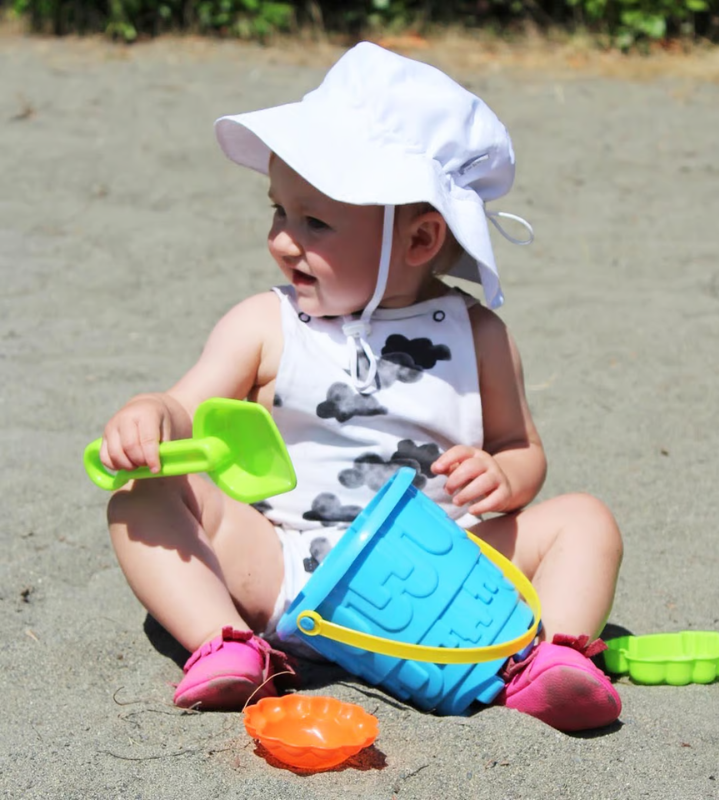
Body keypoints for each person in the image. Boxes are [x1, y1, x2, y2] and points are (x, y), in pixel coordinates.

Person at [99, 42, 623, 732]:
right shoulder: (266, 322)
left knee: (586, 520)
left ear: (419, 240)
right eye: (278, 212)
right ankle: (227, 645)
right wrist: (149, 411)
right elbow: (183, 407)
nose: (283, 240)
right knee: (143, 498)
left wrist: (502, 476)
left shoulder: (478, 334)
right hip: (291, 567)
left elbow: (520, 448)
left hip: (444, 574)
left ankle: (544, 661)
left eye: (314, 222)